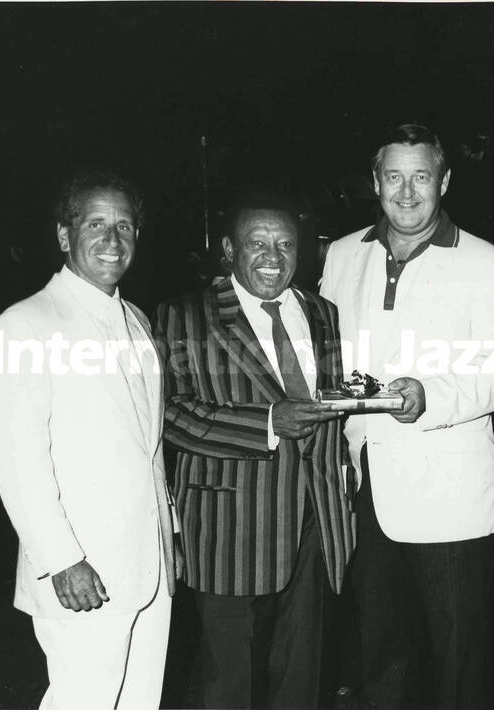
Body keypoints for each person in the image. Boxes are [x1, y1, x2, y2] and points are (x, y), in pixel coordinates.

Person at [320, 123, 494, 709]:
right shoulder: (341, 255)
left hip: (452, 498)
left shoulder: (486, 262)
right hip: (368, 493)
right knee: (382, 659)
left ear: (444, 180)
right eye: (393, 176)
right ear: (375, 182)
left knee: (458, 664)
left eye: (421, 176)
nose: (406, 192)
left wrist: (430, 395)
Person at [0, 170, 180, 710]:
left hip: (149, 567)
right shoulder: (26, 325)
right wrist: (62, 559)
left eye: (125, 226)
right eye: (96, 224)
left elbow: (147, 448)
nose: (113, 241)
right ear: (65, 236)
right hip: (83, 570)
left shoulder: (136, 321)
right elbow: (20, 462)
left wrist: (169, 540)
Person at [152, 191, 355, 709]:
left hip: (316, 521)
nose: (273, 256)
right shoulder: (185, 315)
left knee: (301, 677)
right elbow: (167, 412)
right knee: (232, 682)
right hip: (230, 525)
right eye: (257, 243)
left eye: (285, 244)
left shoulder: (323, 314)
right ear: (229, 249)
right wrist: (267, 422)